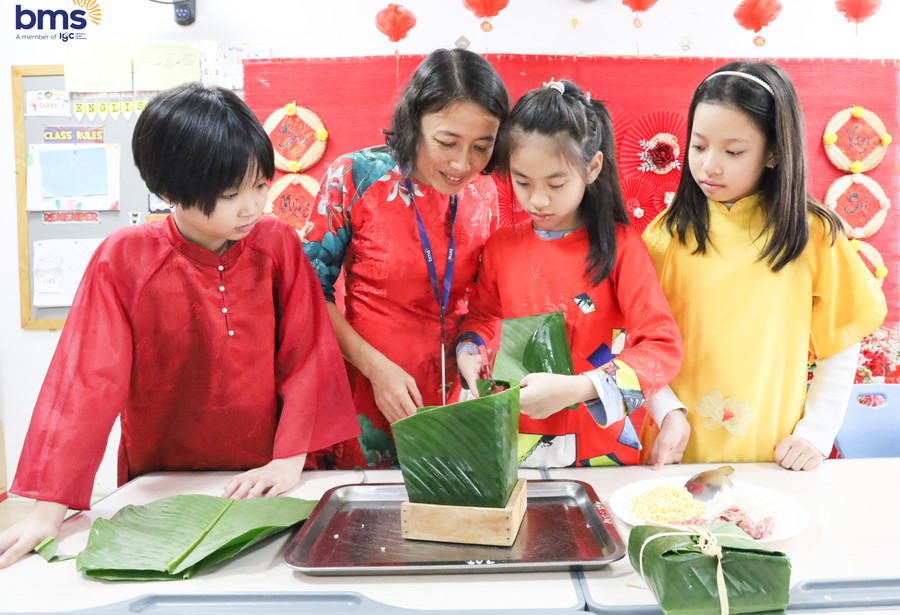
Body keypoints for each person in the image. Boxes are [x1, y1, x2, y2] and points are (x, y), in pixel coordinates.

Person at [0, 83, 358, 568]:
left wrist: (290, 459)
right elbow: (87, 381)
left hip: (272, 475)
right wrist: (47, 512)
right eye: (231, 194)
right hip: (164, 480)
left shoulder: (276, 245)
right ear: (168, 189)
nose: (251, 207)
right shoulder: (124, 258)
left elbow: (308, 354)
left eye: (259, 185)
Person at [640, 61, 887, 470]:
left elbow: (841, 341)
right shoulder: (665, 235)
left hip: (775, 461)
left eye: (733, 151)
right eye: (698, 146)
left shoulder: (812, 234)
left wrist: (816, 434)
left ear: (774, 151)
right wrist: (667, 411)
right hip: (676, 457)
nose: (709, 165)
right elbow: (636, 344)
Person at [456, 79, 687, 468]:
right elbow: (483, 319)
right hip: (513, 444)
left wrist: (581, 388)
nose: (538, 199)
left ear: (592, 167)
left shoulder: (621, 247)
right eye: (522, 182)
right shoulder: (500, 247)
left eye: (556, 183)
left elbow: (660, 347)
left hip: (601, 450)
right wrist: (469, 352)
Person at [302, 48, 509, 469]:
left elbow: (485, 305)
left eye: (482, 147)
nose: (462, 164)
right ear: (413, 121)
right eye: (447, 142)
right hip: (369, 390)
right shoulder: (355, 176)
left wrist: (475, 356)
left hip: (455, 403)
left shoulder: (484, 193)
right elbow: (307, 295)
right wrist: (378, 371)